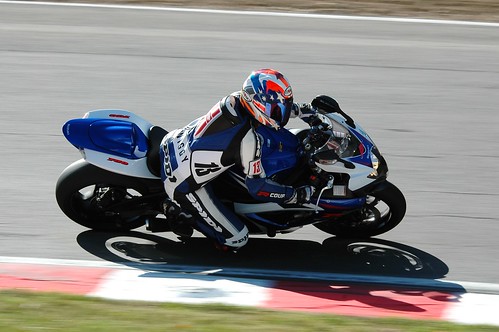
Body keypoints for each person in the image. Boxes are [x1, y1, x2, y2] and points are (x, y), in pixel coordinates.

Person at [159, 68, 321, 251]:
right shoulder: (248, 140)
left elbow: (270, 109)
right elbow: (257, 188)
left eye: (283, 106)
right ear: (259, 105)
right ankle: (180, 212)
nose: (280, 113)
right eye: (276, 109)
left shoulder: (237, 99)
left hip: (175, 140)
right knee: (237, 239)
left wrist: (303, 112)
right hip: (182, 180)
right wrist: (293, 195)